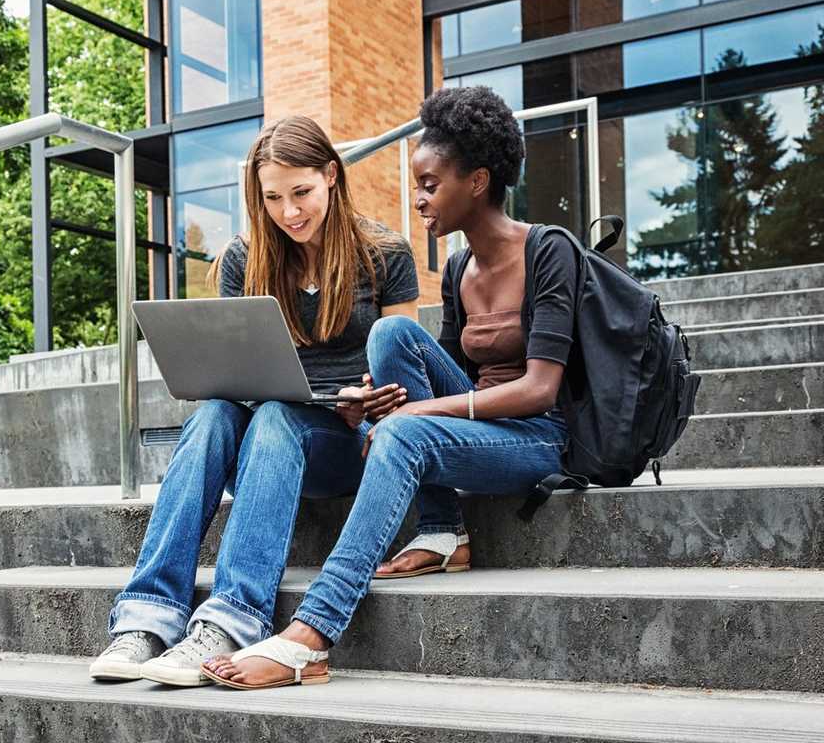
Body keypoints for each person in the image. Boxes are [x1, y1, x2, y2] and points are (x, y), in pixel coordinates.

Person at [203, 85, 577, 690]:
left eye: (429, 185)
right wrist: (368, 403)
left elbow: (539, 390)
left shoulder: (549, 251)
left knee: (401, 420)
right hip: (478, 423)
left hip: (538, 435)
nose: (419, 199)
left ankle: (311, 636)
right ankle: (444, 527)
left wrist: (409, 418)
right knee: (392, 335)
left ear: (477, 181)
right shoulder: (457, 268)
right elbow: (443, 369)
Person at [89, 115, 420, 687]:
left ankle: (231, 622)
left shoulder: (385, 253)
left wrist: (366, 397)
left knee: (274, 417)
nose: (290, 212)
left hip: (345, 442)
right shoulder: (245, 259)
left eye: (302, 193)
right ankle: (147, 617)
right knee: (217, 412)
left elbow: (403, 374)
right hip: (267, 441)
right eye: (273, 198)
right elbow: (230, 371)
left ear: (332, 177)